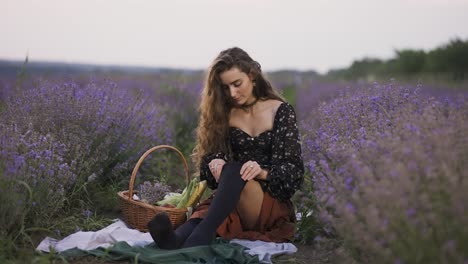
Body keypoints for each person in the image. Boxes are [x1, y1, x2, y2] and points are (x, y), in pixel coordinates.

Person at [147, 47, 304, 249]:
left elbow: (294, 173)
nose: (232, 93)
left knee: (233, 176)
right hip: (230, 198)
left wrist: (262, 172)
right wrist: (215, 161)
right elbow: (209, 174)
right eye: (225, 87)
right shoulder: (225, 113)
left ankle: (200, 238)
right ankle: (175, 240)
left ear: (252, 75)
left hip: (267, 204)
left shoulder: (280, 112)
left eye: (237, 84)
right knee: (211, 208)